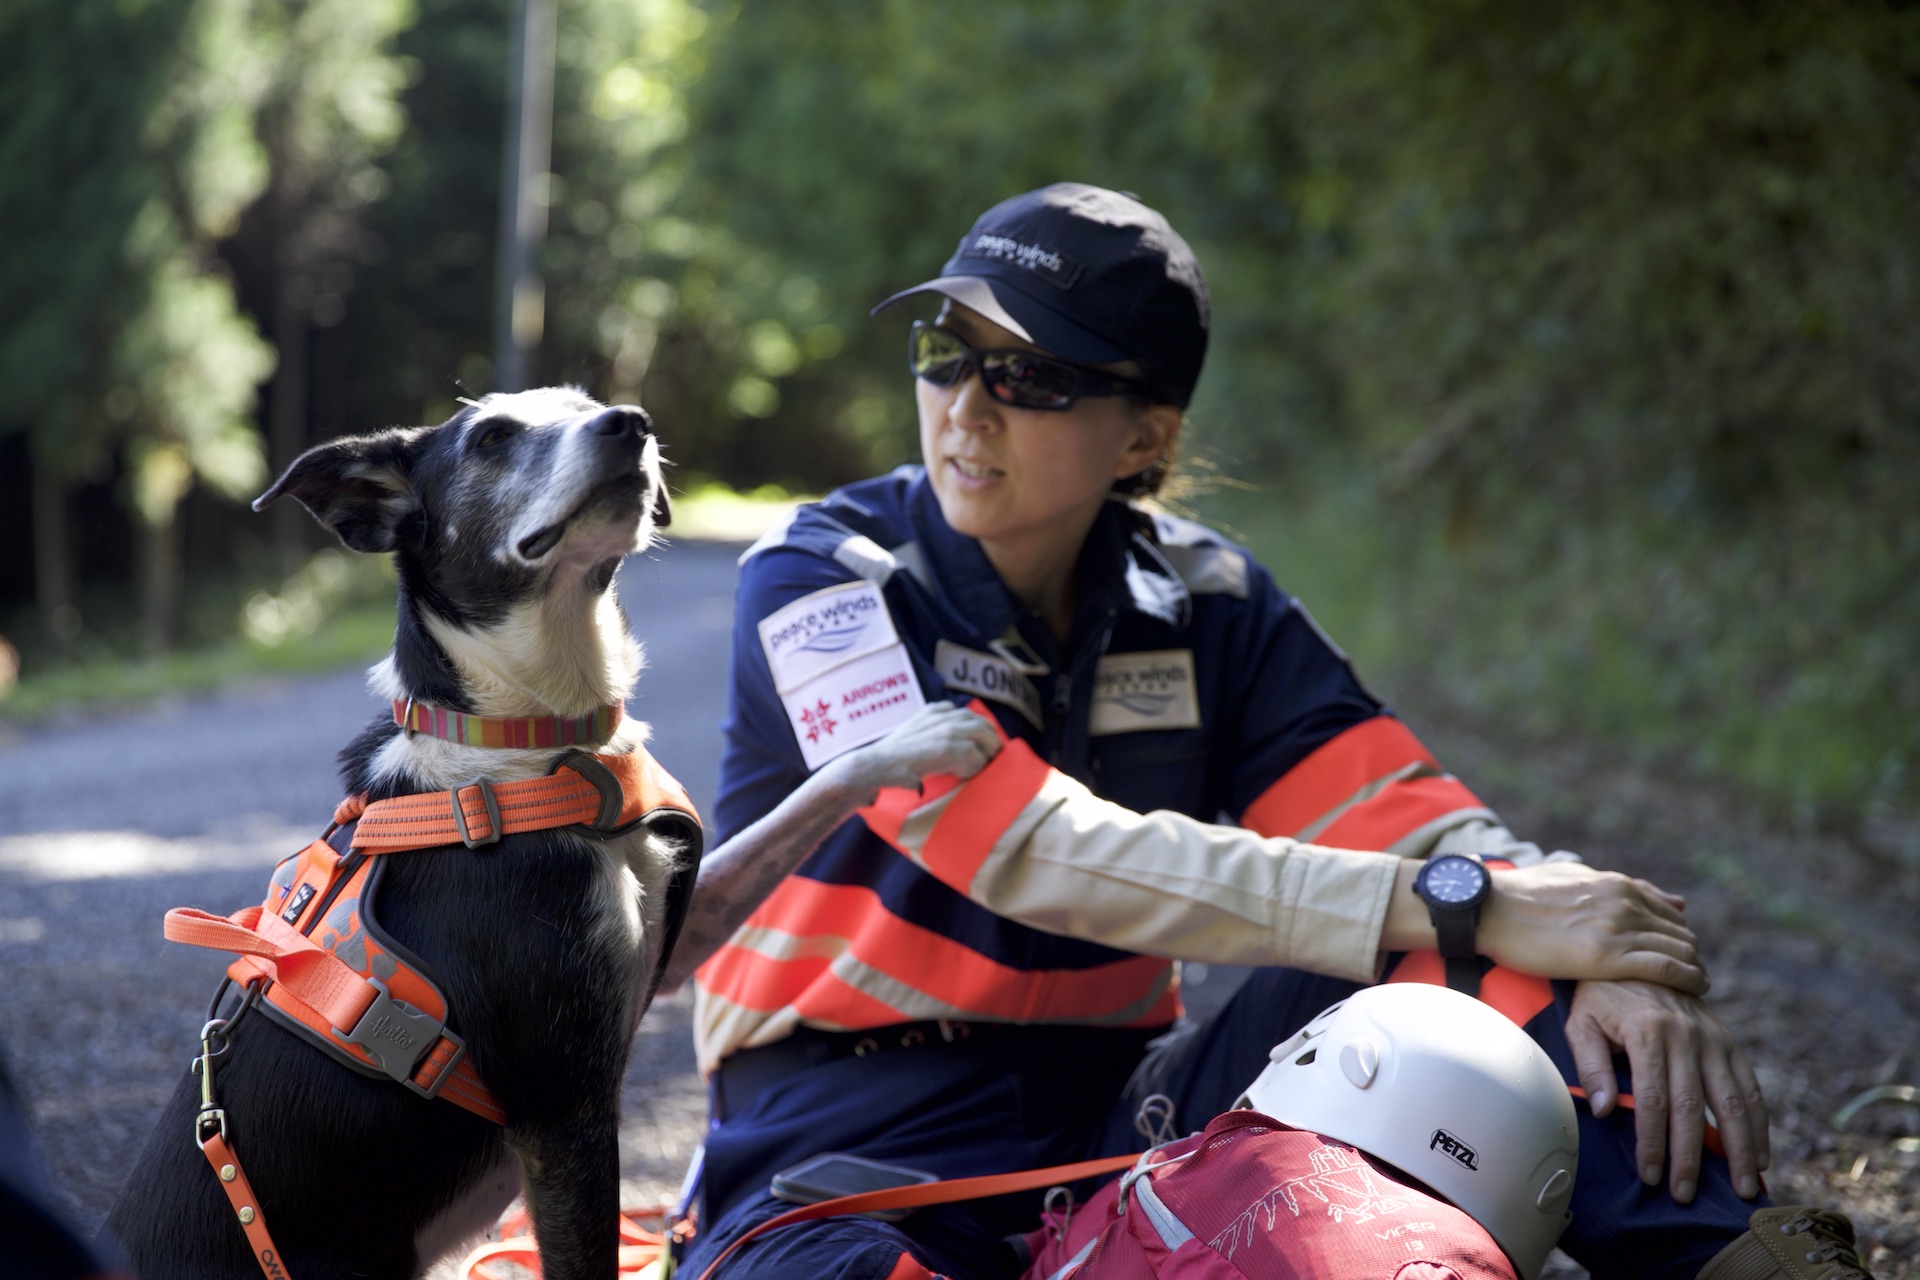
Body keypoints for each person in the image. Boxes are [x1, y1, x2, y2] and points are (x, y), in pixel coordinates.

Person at [663, 183, 1871, 1280]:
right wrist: (1473, 895)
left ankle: (1735, 1257)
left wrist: (1596, 948)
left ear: (1145, 436)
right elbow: (1022, 843)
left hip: (1122, 1107)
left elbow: (1417, 816)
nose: (969, 407)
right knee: (1458, 909)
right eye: (949, 353)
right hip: (836, 1137)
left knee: (1469, 951)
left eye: (1034, 375)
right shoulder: (822, 581)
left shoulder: (1207, 599)